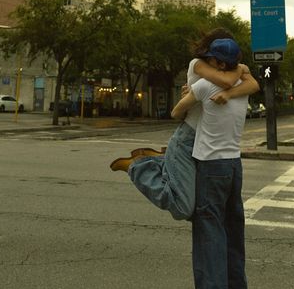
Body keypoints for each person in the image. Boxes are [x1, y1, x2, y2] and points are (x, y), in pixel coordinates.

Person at [109, 29, 259, 222]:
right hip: (188, 137)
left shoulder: (227, 67)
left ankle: (163, 162)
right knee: (184, 208)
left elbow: (253, 85)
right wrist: (239, 71)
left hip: (207, 143)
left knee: (200, 205)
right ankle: (137, 167)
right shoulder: (198, 64)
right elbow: (227, 81)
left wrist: (231, 87)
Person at [171, 38, 250, 289]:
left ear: (216, 62)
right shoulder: (244, 84)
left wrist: (187, 99)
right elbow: (248, 81)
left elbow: (176, 113)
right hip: (234, 166)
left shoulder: (203, 86)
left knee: (209, 249)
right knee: (233, 244)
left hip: (211, 168)